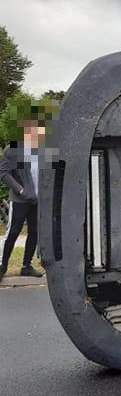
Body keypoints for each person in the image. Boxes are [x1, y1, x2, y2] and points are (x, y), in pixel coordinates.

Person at [0, 118, 44, 278]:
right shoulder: (12, 150)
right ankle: (2, 265)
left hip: (38, 200)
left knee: (34, 232)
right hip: (20, 200)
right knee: (13, 231)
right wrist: (20, 190)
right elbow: (3, 173)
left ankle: (26, 266)